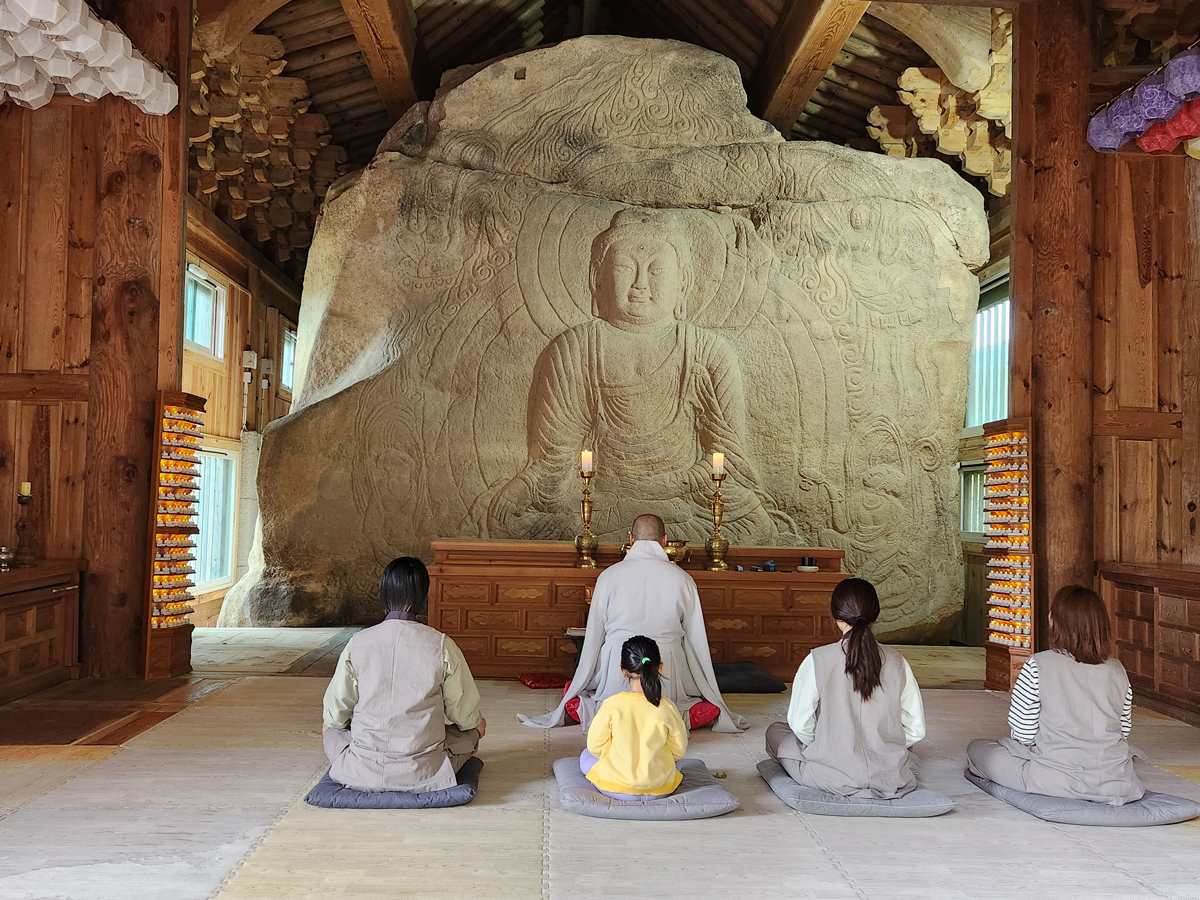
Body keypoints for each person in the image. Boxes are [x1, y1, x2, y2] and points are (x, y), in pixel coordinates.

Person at [487, 208, 785, 545]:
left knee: (755, 528)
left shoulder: (707, 352)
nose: (640, 284)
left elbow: (727, 460)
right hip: (603, 502)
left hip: (685, 501)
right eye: (625, 268)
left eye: (657, 270)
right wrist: (523, 488)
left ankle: (632, 537)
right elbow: (554, 461)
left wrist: (670, 485)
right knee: (522, 525)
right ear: (597, 279)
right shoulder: (575, 348)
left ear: (683, 281)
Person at [519, 513, 747, 733]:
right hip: (667, 667)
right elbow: (695, 637)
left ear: (631, 540)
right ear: (664, 541)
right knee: (690, 701)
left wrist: (586, 676)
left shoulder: (609, 576)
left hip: (619, 664)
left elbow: (596, 635)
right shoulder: (682, 578)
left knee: (583, 693)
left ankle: (610, 708)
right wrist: (707, 686)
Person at [967, 585, 1144, 805]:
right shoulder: (1118, 669)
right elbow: (1123, 729)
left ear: (1055, 621)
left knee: (978, 749)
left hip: (1053, 778)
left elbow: (1023, 733)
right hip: (1116, 781)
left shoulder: (1038, 664)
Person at [322, 557, 487, 792]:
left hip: (362, 768)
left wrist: (334, 725)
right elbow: (462, 714)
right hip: (424, 770)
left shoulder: (358, 642)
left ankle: (365, 768)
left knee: (330, 731)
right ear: (423, 596)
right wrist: (477, 724)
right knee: (472, 730)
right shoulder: (440, 644)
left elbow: (336, 712)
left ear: (383, 593)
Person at [765, 577, 925, 798]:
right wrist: (882, 746)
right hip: (889, 777)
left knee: (776, 731)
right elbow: (916, 729)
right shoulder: (898, 661)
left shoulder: (817, 659)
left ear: (836, 617)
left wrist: (826, 745)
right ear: (875, 615)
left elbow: (800, 724)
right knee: (906, 749)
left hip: (830, 776)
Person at [580, 636, 689, 800]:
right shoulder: (667, 708)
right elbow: (679, 750)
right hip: (659, 790)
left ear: (623, 671)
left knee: (586, 755)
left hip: (614, 787)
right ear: (660, 668)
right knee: (677, 763)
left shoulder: (612, 705)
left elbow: (595, 747)